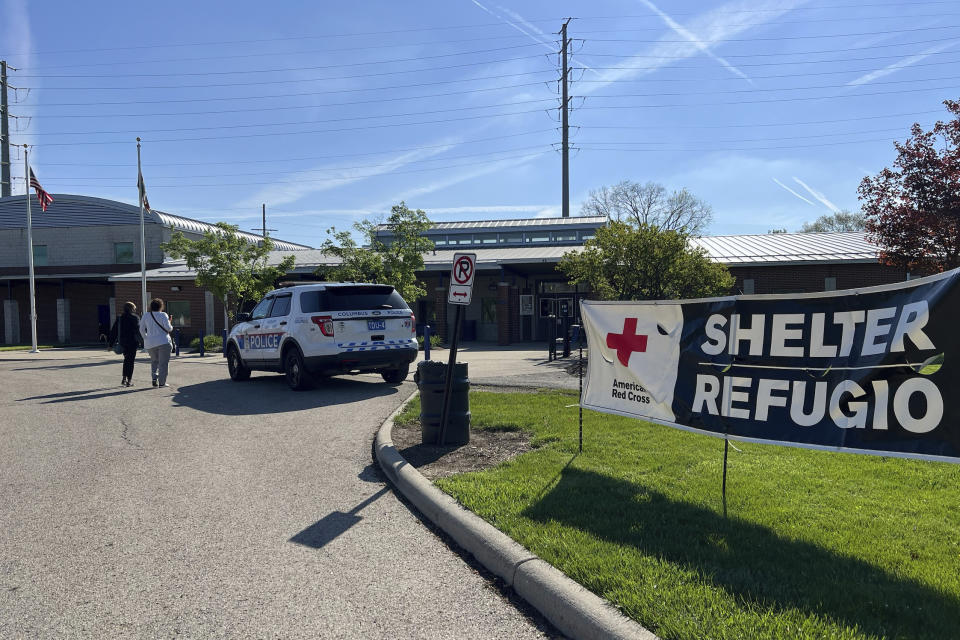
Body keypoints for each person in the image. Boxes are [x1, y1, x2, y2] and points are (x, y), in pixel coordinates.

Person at [140, 297, 174, 388]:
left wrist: (146, 338)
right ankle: (162, 383)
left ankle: (154, 378)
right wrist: (170, 322)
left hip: (150, 343)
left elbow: (141, 329)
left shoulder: (146, 315)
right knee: (163, 363)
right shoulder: (163, 315)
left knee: (154, 361)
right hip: (163, 341)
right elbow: (169, 328)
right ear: (161, 306)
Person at [108, 301, 142, 387]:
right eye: (134, 308)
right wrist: (143, 341)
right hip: (132, 342)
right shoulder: (135, 318)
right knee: (130, 361)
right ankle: (129, 380)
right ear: (132, 309)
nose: (135, 309)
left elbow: (114, 331)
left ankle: (124, 378)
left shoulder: (120, 318)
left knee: (126, 360)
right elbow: (138, 331)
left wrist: (110, 344)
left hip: (123, 342)